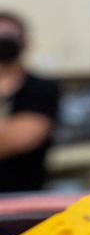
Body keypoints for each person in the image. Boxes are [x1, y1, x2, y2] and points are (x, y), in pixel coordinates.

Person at [0, 12, 60, 193]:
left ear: (25, 43)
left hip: (24, 199)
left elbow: (22, 138)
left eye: (8, 38)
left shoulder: (41, 88)